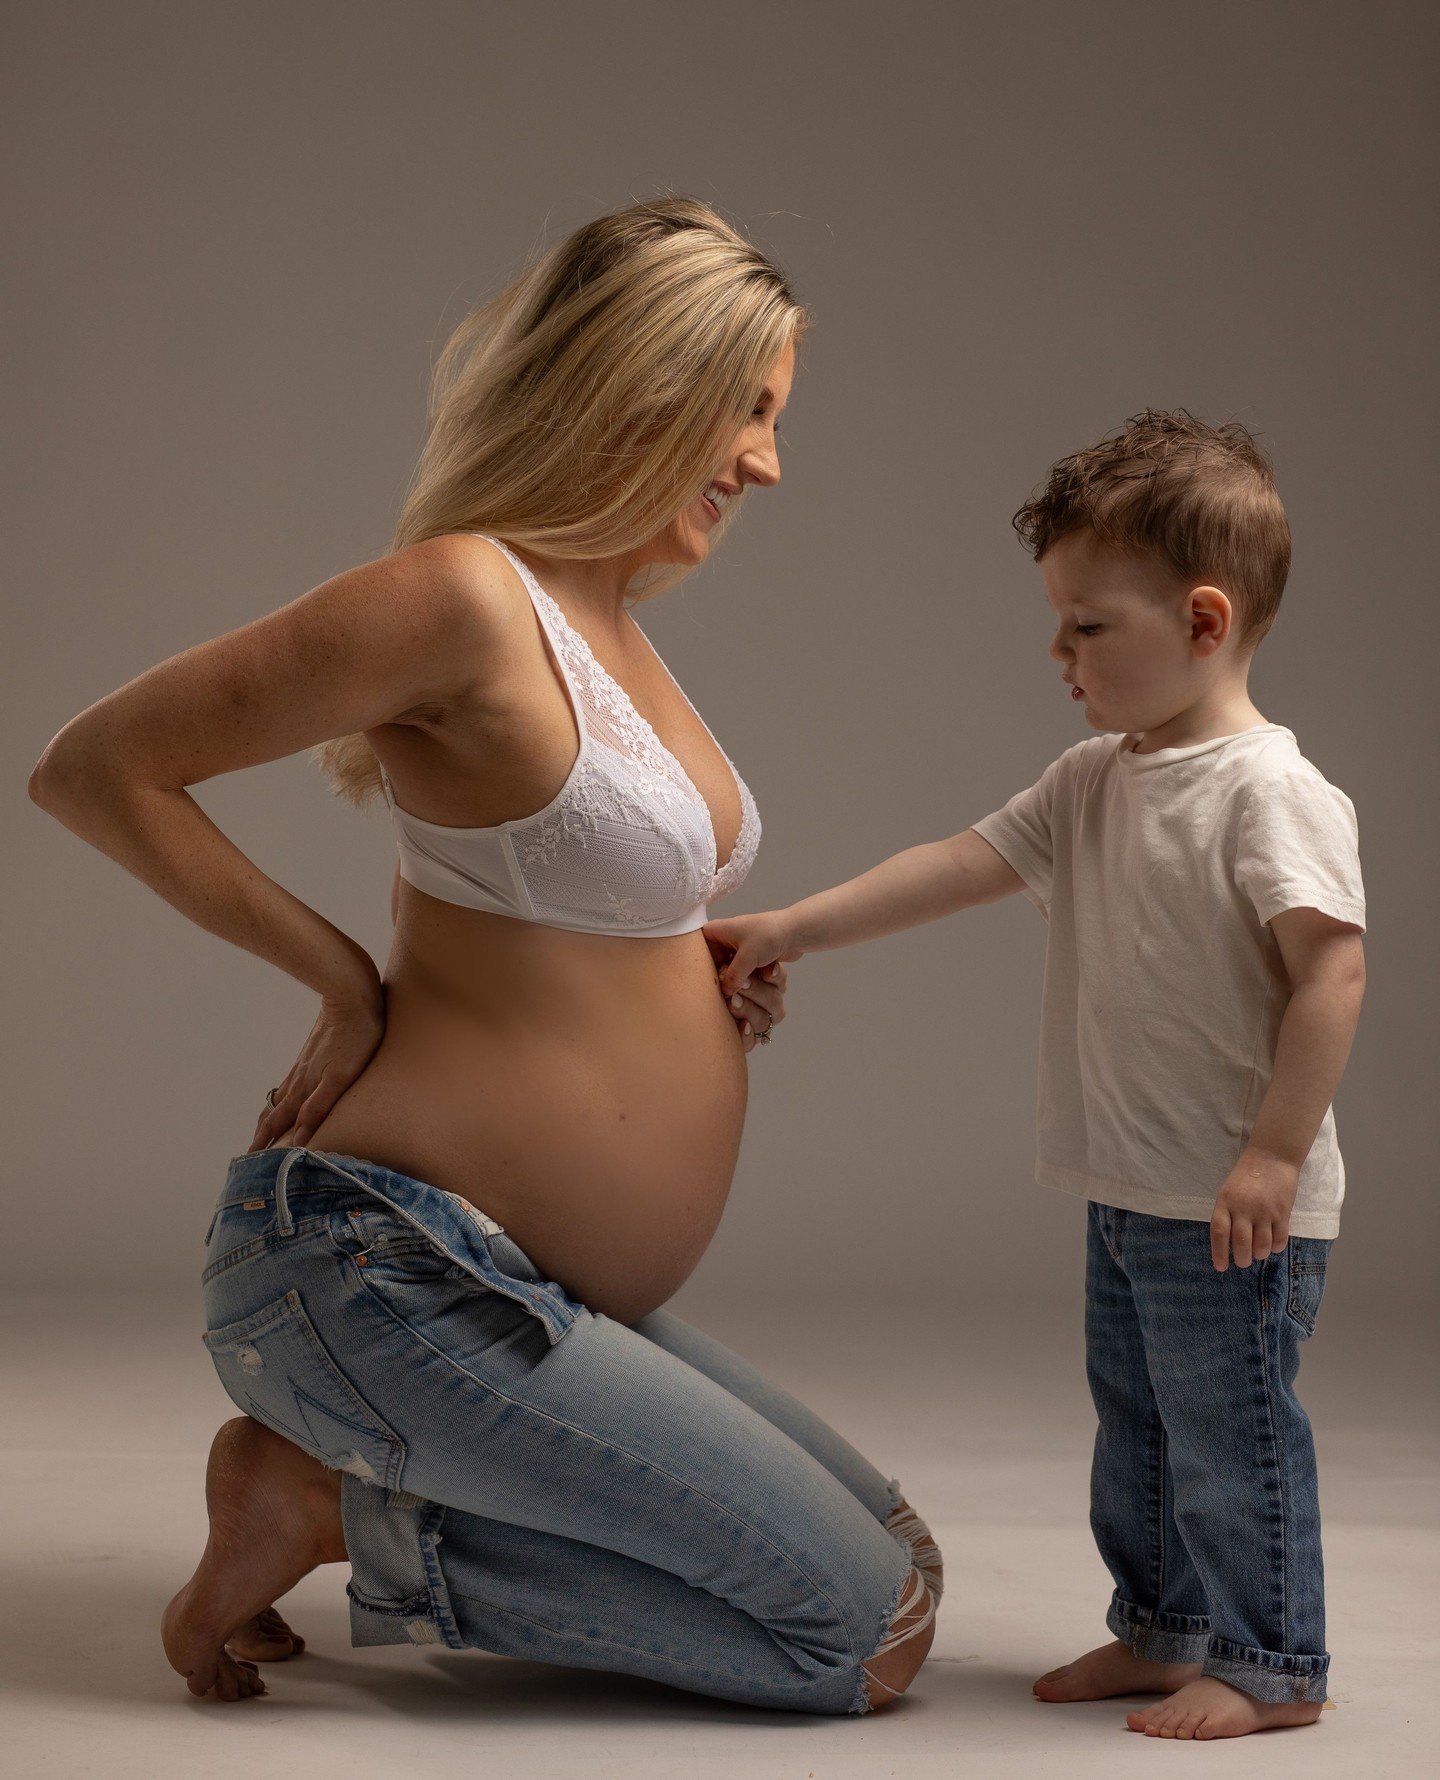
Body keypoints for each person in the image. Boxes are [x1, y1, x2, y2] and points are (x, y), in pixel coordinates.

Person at [28, 196, 941, 1715]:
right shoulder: (462, 595)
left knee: (901, 1562)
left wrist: (690, 981)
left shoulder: (614, 627)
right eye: (754, 412)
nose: (768, 462)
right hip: (383, 1273)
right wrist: (341, 980)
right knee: (855, 1635)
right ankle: (324, 1509)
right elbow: (94, 768)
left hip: (533, 1292)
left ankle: (335, 1490)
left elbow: (563, 908)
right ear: (649, 380)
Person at [705, 410, 1366, 1742]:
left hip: (1236, 1203)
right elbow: (956, 866)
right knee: (1142, 1432)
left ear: (1202, 620)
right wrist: (789, 927)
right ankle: (1165, 1627)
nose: (1057, 654)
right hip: (1130, 1190)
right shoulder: (1092, 782)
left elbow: (1333, 976)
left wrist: (1273, 1156)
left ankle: (1274, 1660)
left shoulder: (1272, 795)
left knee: (1229, 1438)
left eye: (1086, 626)